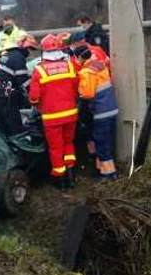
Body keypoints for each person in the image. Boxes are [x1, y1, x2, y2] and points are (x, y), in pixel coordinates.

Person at [29, 34, 79, 190]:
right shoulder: (70, 65)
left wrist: (37, 104)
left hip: (51, 117)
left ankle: (61, 181)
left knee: (56, 148)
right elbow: (77, 88)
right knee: (69, 143)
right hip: (71, 113)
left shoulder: (39, 70)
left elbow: (34, 97)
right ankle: (71, 176)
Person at [75, 46, 118, 180]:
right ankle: (102, 169)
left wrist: (79, 93)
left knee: (101, 142)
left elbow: (87, 94)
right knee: (107, 141)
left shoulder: (86, 72)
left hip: (101, 112)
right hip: (111, 108)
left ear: (80, 57)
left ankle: (108, 174)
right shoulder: (100, 66)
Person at [0, 32, 38, 137]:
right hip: (3, 90)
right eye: (28, 49)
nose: (29, 52)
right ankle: (19, 144)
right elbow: (23, 81)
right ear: (23, 47)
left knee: (1, 123)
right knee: (14, 120)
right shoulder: (19, 57)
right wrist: (35, 94)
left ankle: (6, 142)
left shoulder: (9, 54)